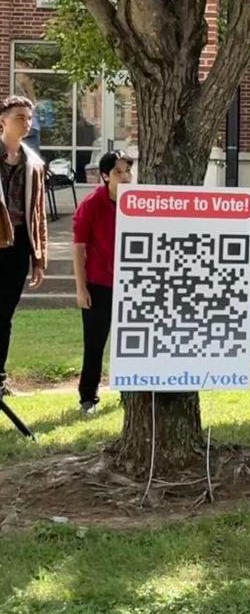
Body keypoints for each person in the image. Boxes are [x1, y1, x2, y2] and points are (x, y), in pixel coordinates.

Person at [72, 150, 134, 415]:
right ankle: (88, 398)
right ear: (106, 176)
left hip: (131, 285)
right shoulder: (91, 204)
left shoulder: (138, 203)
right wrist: (81, 288)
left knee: (130, 344)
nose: (125, 177)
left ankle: (129, 394)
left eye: (128, 171)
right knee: (95, 344)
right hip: (99, 284)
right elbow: (78, 248)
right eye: (118, 172)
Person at [0, 95, 48, 397]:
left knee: (4, 314)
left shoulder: (34, 164)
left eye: (29, 118)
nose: (26, 123)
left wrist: (39, 258)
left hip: (17, 247)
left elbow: (38, 214)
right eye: (20, 117)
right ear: (3, 121)